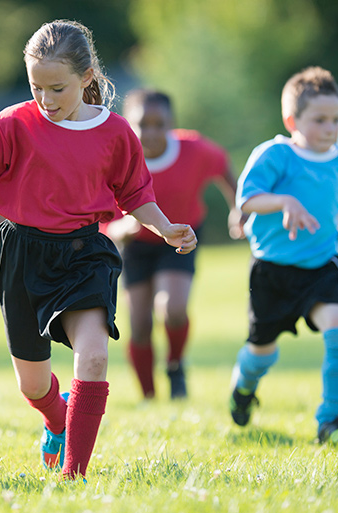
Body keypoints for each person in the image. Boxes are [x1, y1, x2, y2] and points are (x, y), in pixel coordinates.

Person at [0, 20, 197, 479]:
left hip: (84, 254)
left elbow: (136, 195)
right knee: (31, 384)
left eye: (57, 88)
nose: (46, 100)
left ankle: (74, 475)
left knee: (93, 356)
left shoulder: (116, 133)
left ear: (86, 78)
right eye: (36, 87)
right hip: (20, 254)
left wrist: (166, 228)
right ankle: (55, 417)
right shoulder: (12, 123)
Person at [229, 67, 338, 444]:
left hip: (320, 267)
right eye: (319, 120)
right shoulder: (275, 154)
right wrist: (284, 200)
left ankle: (331, 422)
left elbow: (335, 208)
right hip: (272, 271)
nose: (330, 128)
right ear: (292, 119)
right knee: (262, 353)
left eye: (335, 119)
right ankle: (243, 387)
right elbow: (246, 199)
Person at [104, 89, 241, 400]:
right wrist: (117, 228)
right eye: (143, 124)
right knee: (139, 324)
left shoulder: (194, 150)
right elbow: (98, 216)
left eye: (159, 123)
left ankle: (175, 366)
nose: (151, 132)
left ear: (171, 123)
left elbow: (223, 167)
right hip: (135, 244)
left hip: (180, 237)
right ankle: (149, 395)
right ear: (129, 125)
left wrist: (236, 207)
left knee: (173, 309)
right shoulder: (117, 159)